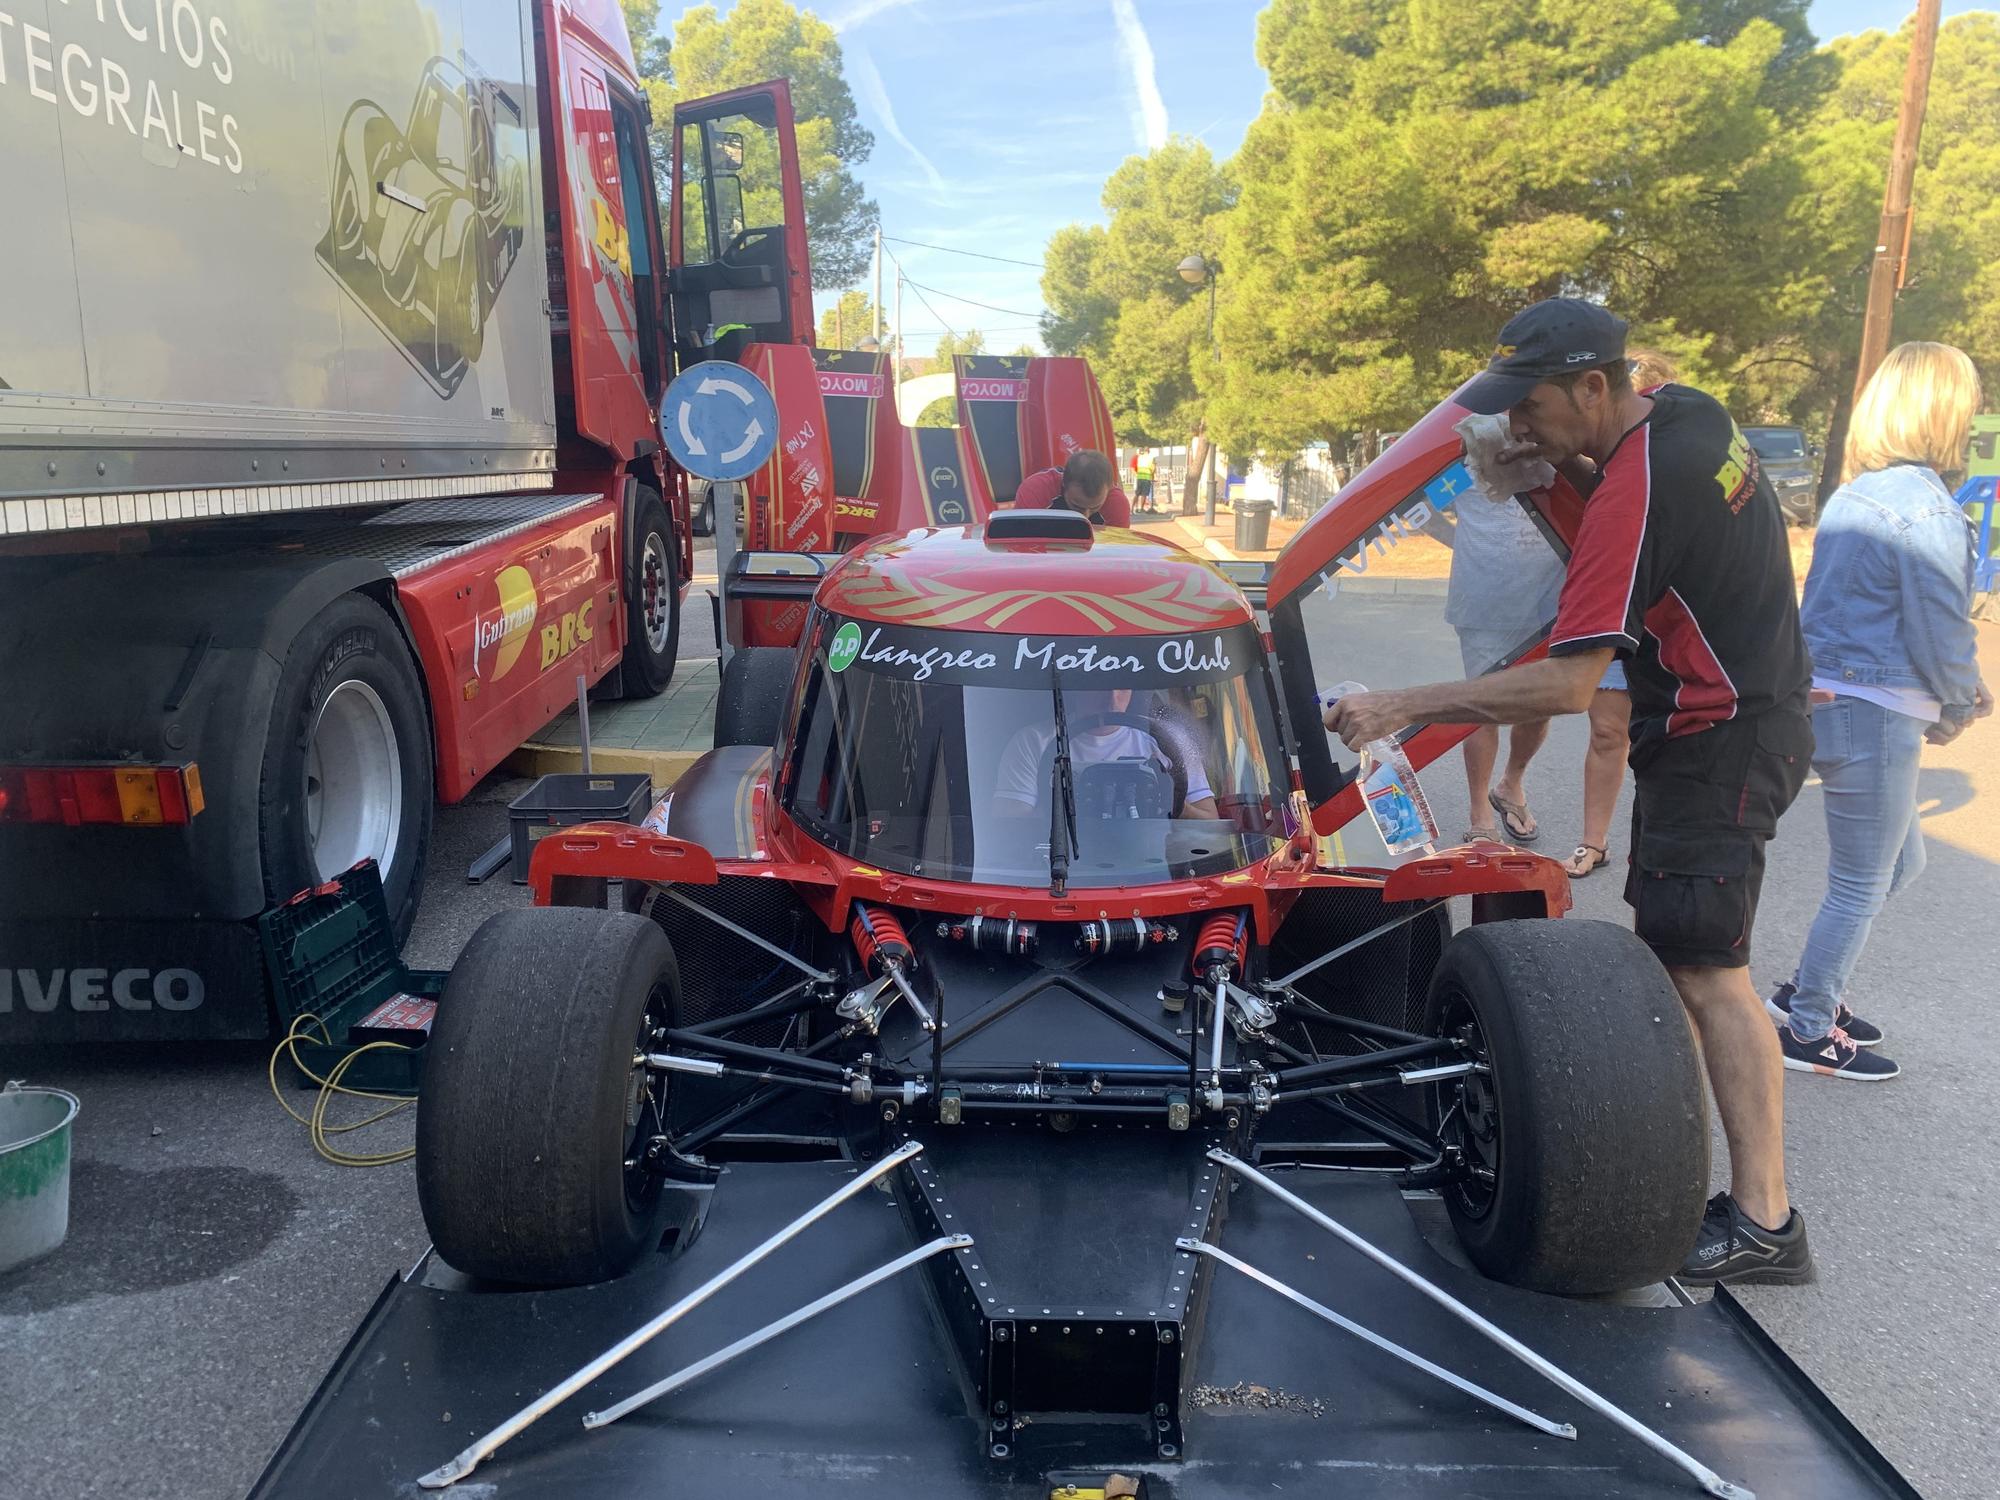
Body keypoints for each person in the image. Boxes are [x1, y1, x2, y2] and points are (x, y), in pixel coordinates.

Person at [1325, 298, 1817, 1287]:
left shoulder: (1638, 488)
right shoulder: (1689, 415)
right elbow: (1640, 531)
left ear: (1593, 387)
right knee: (1680, 955)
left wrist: (1395, 707)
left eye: (1530, 410)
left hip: (1719, 736)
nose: (1516, 429)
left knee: (1705, 968)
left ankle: (1765, 1219)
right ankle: (1701, 1186)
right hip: (1737, 716)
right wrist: (1556, 475)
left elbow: (1561, 681)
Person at [1765, 342, 1993, 1082]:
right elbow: (1940, 624)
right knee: (1862, 880)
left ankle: (1811, 987)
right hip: (1877, 708)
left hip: (1836, 697)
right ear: (1943, 410)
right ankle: (1806, 1023)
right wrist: (1961, 700)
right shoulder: (1926, 508)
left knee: (1903, 861)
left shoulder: (1855, 495)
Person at [1561, 349, 1676, 878]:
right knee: (1608, 732)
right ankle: (1594, 841)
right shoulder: (1600, 469)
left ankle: (1653, 851)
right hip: (1611, 616)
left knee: (1659, 739)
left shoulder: (1667, 460)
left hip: (1663, 629)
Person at [1442, 421, 1562, 844]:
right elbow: (1423, 506)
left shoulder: (1547, 461)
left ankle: (1511, 784)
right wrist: (1459, 544)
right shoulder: (1463, 469)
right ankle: (1480, 814)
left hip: (1546, 604)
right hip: (1480, 606)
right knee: (1481, 708)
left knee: (1540, 704)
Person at [995, 688, 1220, 819]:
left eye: (1121, 688)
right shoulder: (1034, 741)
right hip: (1059, 868)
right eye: (1099, 687)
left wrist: (1170, 799)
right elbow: (1011, 824)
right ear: (1075, 690)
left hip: (1155, 868)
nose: (1111, 699)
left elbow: (1211, 821)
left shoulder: (1169, 742)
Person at [1013, 450, 1129, 524]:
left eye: (1094, 508)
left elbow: (1118, 551)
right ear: (1063, 483)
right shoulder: (1036, 491)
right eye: (1077, 506)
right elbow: (1022, 546)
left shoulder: (1117, 504)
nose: (1085, 517)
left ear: (1109, 490)